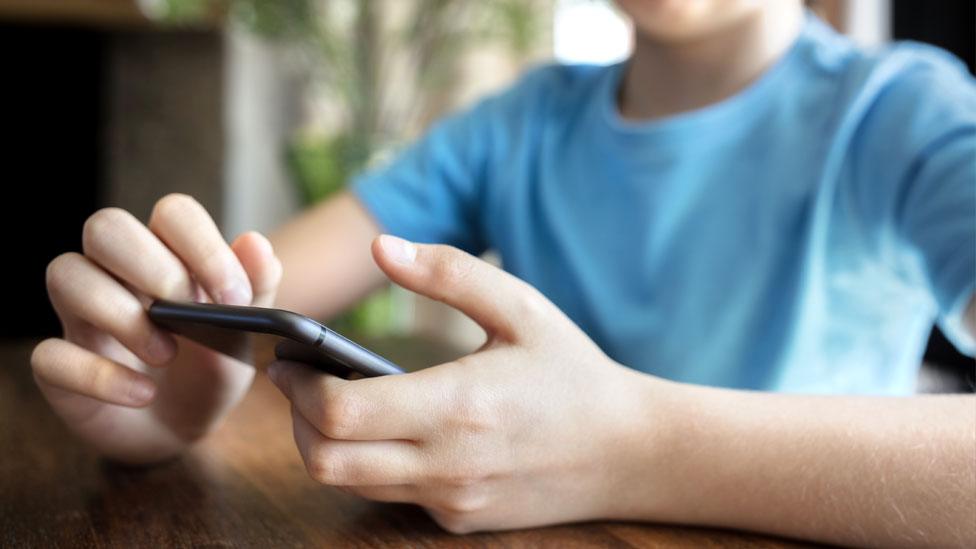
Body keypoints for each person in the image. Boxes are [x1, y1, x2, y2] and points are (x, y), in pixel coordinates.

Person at [30, 0, 975, 546]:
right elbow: (250, 297)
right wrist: (171, 383)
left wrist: (631, 445)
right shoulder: (518, 125)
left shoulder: (905, 116)